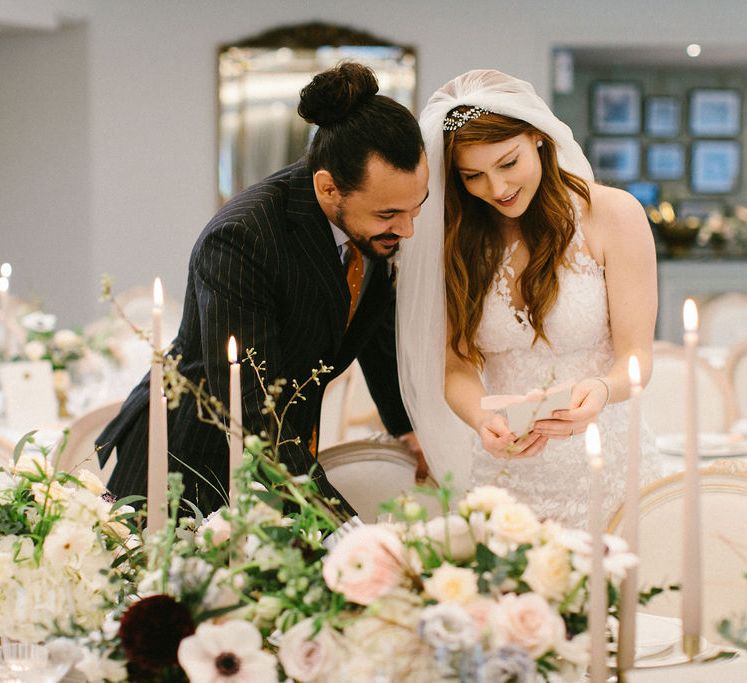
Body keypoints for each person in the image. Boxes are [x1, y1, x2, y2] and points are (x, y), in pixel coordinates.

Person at [97, 62, 429, 515]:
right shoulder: (241, 239)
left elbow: (372, 329)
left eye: (416, 208)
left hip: (284, 456)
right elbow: (252, 411)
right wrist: (343, 530)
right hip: (191, 463)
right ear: (328, 189)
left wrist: (409, 431)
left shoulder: (372, 229)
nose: (407, 229)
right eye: (389, 214)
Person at [397, 70, 662, 527]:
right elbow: (455, 364)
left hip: (608, 465)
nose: (496, 189)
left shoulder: (613, 215)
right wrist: (482, 419)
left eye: (508, 163)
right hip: (505, 472)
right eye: (473, 176)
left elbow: (636, 357)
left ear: (538, 138)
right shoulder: (457, 240)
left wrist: (601, 390)